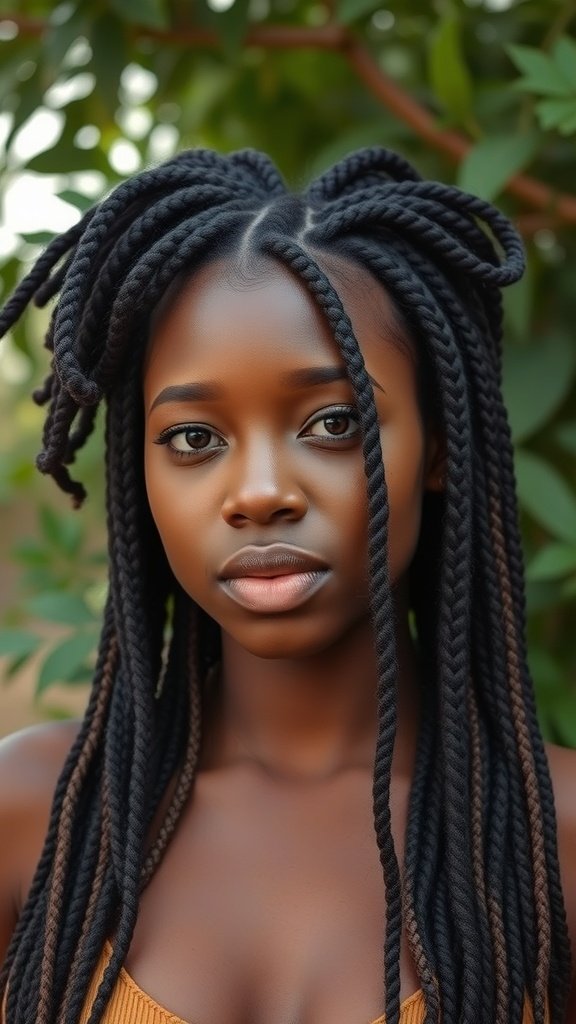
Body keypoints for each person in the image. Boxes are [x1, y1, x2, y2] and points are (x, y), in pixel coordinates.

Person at [0, 146, 574, 1024]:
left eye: (333, 422)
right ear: (139, 474)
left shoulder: (551, 844)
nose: (261, 491)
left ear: (443, 445)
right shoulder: (33, 818)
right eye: (194, 438)